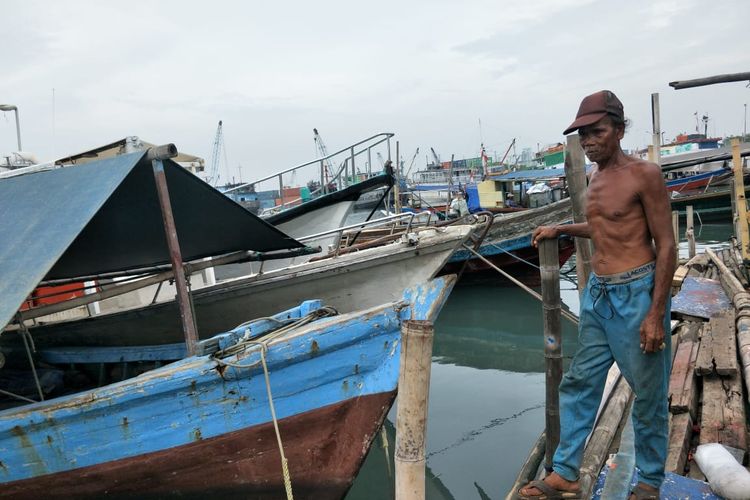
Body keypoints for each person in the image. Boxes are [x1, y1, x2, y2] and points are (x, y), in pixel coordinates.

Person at [519, 90, 675, 500]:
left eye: (596, 132)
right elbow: (607, 227)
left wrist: (655, 314)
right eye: (583, 134)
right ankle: (567, 472)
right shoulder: (596, 177)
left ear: (620, 130)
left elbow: (668, 245)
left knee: (648, 395)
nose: (588, 141)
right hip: (598, 297)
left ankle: (648, 482)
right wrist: (562, 229)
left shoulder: (646, 174)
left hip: (637, 294)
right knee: (580, 382)